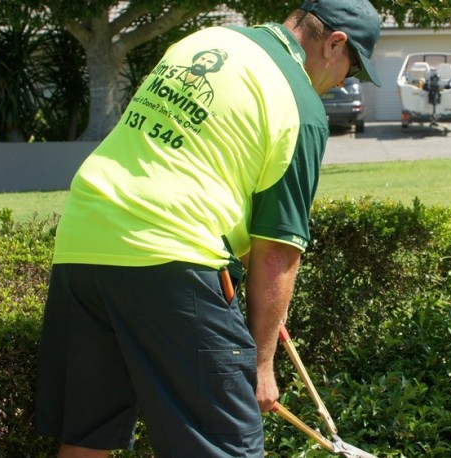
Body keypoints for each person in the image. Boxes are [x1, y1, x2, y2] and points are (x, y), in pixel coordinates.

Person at [33, 0, 382, 456]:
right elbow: (278, 250)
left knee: (87, 437)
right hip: (174, 256)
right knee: (227, 447)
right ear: (335, 44)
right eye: (350, 69)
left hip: (84, 241)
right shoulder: (301, 106)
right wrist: (260, 365)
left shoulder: (208, 40)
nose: (342, 83)